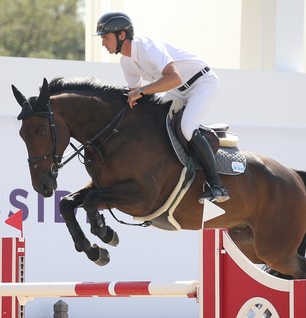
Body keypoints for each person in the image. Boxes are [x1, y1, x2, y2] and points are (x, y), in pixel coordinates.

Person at [96, 12, 229, 204]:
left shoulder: (147, 47)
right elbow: (136, 99)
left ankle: (217, 185)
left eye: (105, 38)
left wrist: (141, 92)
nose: (103, 44)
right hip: (177, 90)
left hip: (201, 82)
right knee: (156, 123)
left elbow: (174, 77)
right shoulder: (126, 62)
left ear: (122, 35)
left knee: (187, 127)